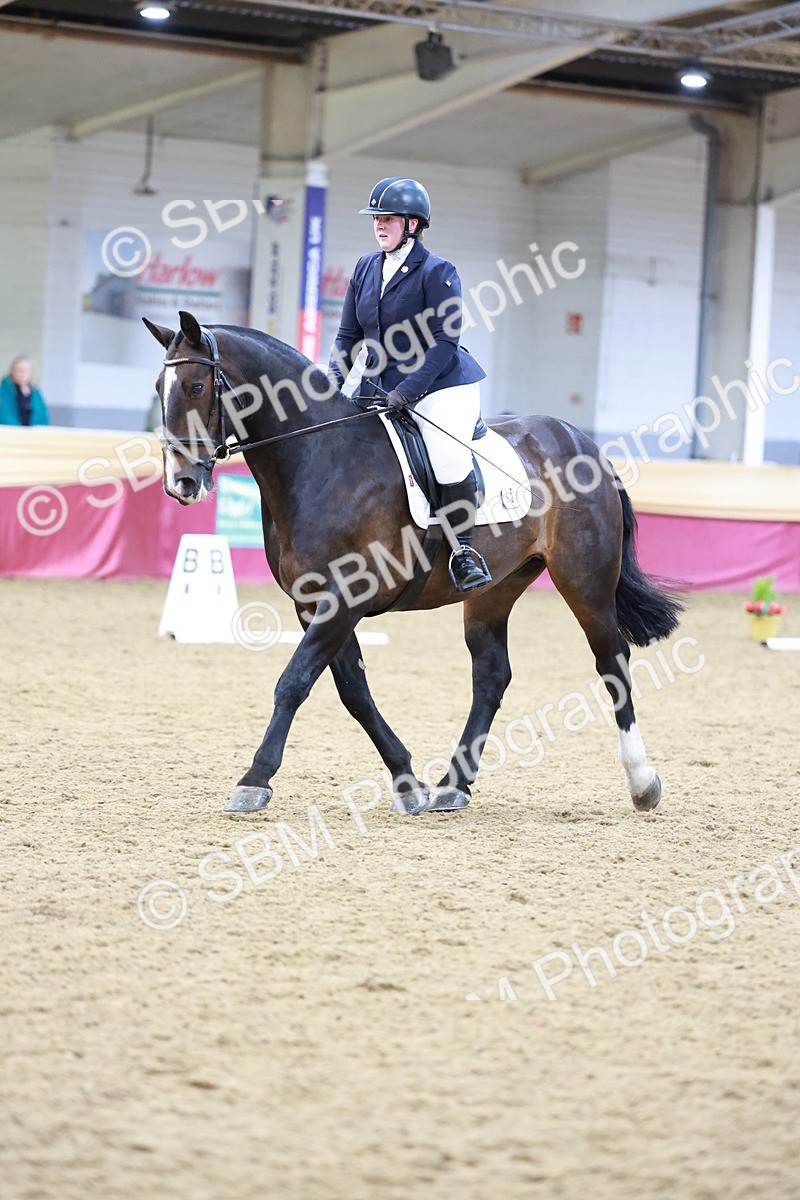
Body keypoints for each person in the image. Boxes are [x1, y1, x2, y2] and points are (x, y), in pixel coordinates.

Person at [329, 176, 492, 593]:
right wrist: (330, 386)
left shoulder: (438, 272)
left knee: (447, 455)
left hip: (440, 385)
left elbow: (445, 342)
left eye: (389, 218)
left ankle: (463, 552)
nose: (379, 225)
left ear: (413, 225)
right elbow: (349, 337)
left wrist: (410, 391)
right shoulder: (366, 267)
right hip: (380, 386)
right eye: (376, 218)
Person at [0, 356, 50, 426]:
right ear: (12, 371)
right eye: (18, 370)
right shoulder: (4, 391)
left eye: (25, 371)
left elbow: (43, 415)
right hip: (11, 433)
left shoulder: (35, 393)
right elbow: (4, 414)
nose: (21, 374)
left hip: (32, 434)